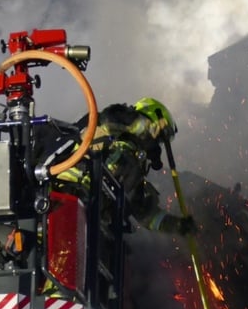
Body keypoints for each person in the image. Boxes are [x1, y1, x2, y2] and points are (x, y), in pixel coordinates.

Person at [45, 97, 195, 236]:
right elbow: (111, 117)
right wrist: (145, 127)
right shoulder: (113, 126)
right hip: (64, 191)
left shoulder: (136, 169)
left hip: (86, 220)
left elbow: (146, 215)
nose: (157, 143)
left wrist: (177, 225)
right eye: (160, 136)